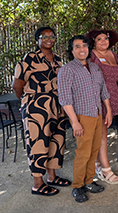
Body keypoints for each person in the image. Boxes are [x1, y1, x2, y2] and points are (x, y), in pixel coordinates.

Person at [12, 26, 70, 196]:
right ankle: (38, 183)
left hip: (57, 107)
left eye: (51, 36)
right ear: (37, 40)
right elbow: (17, 85)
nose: (49, 39)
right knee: (38, 143)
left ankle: (52, 177)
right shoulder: (29, 58)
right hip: (36, 109)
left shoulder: (58, 59)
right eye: (44, 37)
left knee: (56, 141)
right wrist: (29, 100)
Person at [58, 35, 113, 202]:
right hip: (82, 117)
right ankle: (77, 186)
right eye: (77, 46)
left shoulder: (95, 68)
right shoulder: (67, 70)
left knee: (94, 150)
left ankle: (89, 181)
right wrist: (75, 122)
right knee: (83, 152)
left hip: (97, 114)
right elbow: (65, 98)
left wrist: (108, 111)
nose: (82, 49)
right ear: (72, 50)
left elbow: (103, 91)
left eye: (84, 46)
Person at [85, 29, 118, 184]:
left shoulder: (113, 55)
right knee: (101, 132)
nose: (103, 41)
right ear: (93, 41)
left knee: (101, 131)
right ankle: (106, 169)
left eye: (105, 38)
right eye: (99, 39)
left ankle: (96, 164)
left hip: (111, 95)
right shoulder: (91, 55)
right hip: (97, 97)